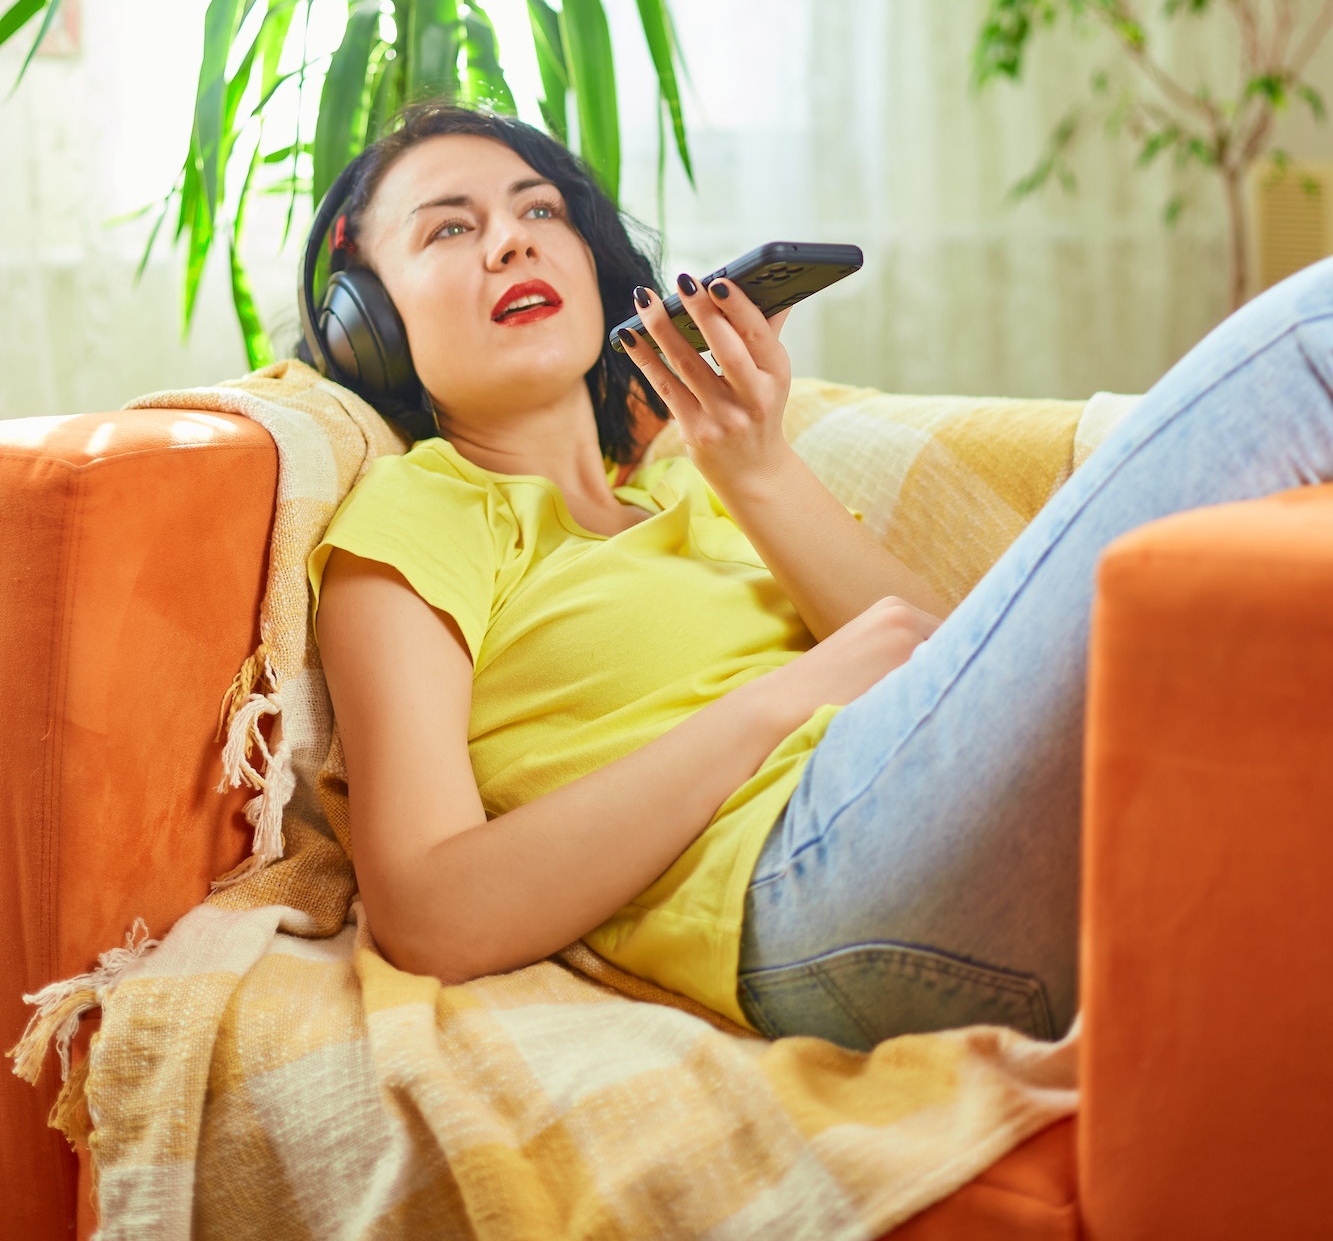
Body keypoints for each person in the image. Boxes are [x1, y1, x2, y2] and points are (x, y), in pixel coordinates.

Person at [308, 101, 1333, 1048]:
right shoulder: (419, 514)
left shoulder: (698, 488)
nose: (513, 237)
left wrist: (755, 468)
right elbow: (432, 908)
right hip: (799, 890)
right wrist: (786, 697)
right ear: (372, 319)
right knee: (1309, 339)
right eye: (449, 228)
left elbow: (952, 677)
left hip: (941, 848)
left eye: (539, 208)